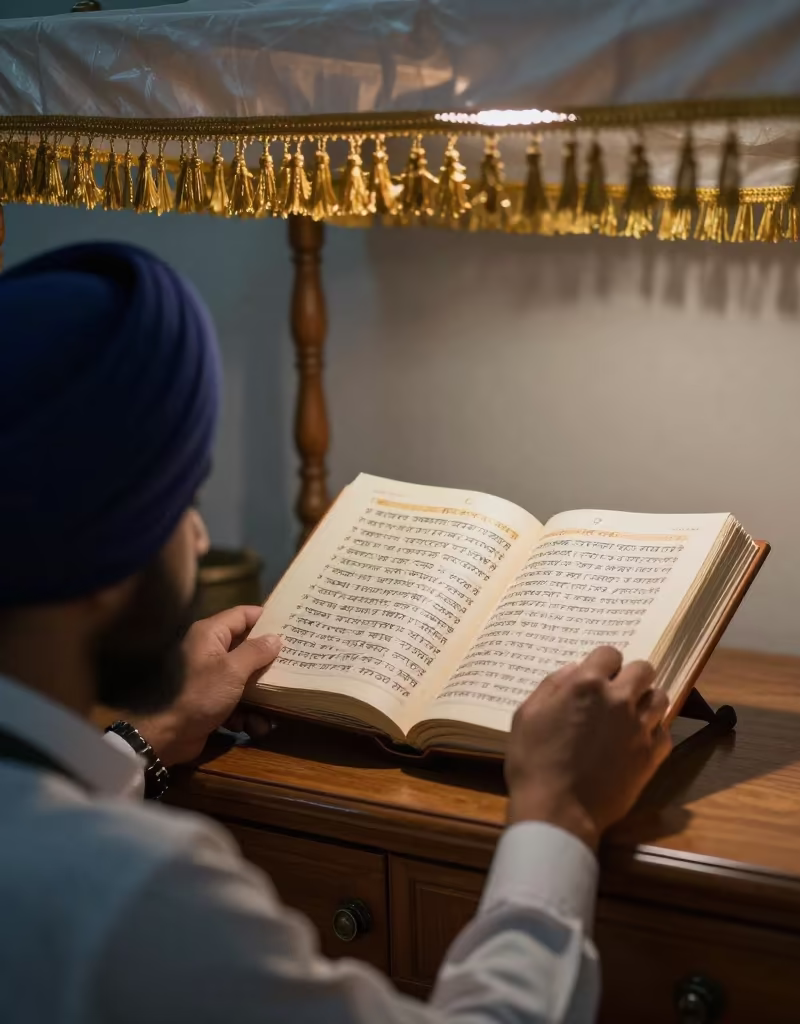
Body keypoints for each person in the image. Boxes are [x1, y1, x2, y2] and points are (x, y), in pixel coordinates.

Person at [0, 242, 672, 1024]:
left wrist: (142, 741)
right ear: (107, 561)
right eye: (180, 499)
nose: (196, 533)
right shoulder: (132, 898)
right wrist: (561, 816)